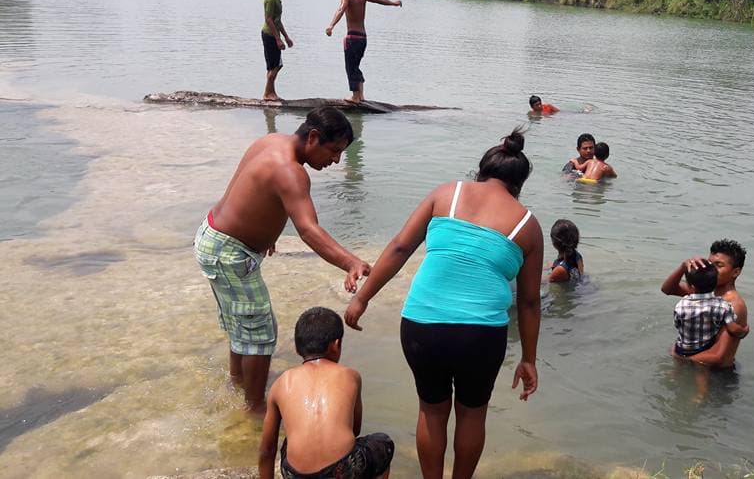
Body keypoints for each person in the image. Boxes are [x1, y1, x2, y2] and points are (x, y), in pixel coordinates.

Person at [343, 129, 544, 479]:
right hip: (481, 336)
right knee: (471, 414)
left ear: (480, 171)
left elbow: (399, 248)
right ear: (519, 184)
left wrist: (362, 298)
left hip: (423, 327)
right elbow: (528, 302)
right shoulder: (528, 225)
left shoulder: (446, 194)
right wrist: (528, 358)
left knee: (432, 412)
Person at [194, 107, 371, 413]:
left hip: (213, 237)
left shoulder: (272, 141)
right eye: (333, 151)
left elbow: (248, 187)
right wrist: (350, 262)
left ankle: (237, 383)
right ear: (313, 137)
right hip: (230, 252)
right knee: (261, 332)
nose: (336, 161)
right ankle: (254, 408)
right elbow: (308, 230)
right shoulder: (292, 171)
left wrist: (266, 231)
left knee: (242, 323)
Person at [258, 307, 394, 479]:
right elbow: (355, 429)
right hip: (341, 469)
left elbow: (266, 449)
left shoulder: (281, 383)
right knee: (382, 443)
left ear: (297, 347)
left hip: (295, 473)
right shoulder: (350, 375)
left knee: (289, 440)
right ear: (336, 345)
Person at [661, 239, 750, 368]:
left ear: (735, 272)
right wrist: (683, 267)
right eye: (710, 264)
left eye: (719, 266)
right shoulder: (704, 291)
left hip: (718, 376)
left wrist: (678, 354)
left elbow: (718, 357)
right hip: (695, 365)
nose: (711, 270)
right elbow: (668, 289)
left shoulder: (734, 305)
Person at [325, 0, 403, 103]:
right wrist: (394, 3)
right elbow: (379, 0)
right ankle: (361, 96)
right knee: (356, 66)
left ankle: (355, 97)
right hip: (362, 39)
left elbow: (340, 10)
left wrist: (331, 25)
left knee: (351, 67)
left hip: (352, 38)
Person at [669, 261, 748, 357]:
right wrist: (744, 330)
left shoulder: (681, 304)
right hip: (704, 350)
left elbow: (677, 324)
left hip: (681, 349)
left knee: (676, 370)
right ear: (715, 284)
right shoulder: (722, 305)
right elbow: (733, 329)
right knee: (702, 371)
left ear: (692, 287)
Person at [262, 0, 294, 101]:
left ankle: (271, 92)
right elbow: (269, 20)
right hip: (269, 34)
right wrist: (278, 39)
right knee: (275, 65)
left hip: (273, 34)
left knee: (274, 65)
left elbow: (277, 21)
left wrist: (286, 37)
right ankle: (267, 94)